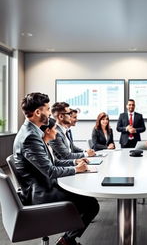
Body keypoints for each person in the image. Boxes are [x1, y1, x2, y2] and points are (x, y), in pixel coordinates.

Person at [13, 92, 99, 245]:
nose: (49, 112)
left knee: (85, 197)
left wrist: (74, 164)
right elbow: (51, 171)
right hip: (41, 193)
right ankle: (66, 241)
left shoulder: (32, 132)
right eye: (46, 109)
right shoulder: (30, 137)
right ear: (38, 112)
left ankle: (67, 239)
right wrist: (76, 170)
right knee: (91, 205)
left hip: (43, 186)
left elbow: (53, 162)